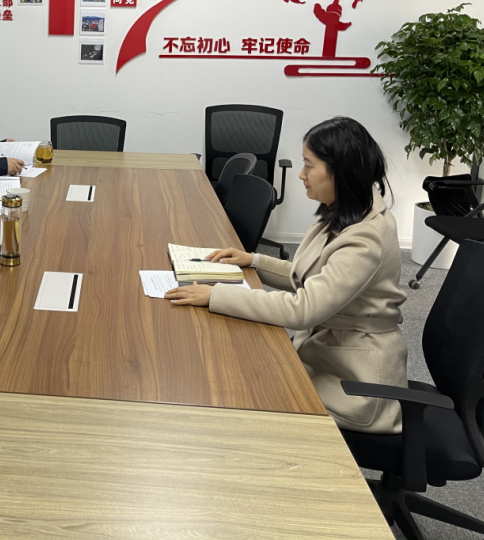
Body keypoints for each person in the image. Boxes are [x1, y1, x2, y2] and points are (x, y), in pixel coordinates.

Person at [165, 117, 407, 434]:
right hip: (326, 351)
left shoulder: (366, 238)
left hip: (353, 381)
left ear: (341, 171)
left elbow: (303, 309)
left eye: (309, 165)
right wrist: (253, 261)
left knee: (236, 390)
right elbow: (311, 277)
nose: (301, 175)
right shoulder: (349, 211)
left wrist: (216, 295)